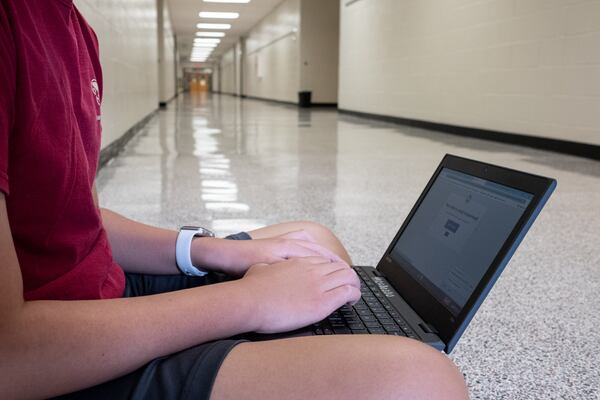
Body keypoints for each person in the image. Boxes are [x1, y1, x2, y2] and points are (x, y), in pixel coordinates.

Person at [0, 1, 469, 399]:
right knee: (423, 380)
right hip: (60, 357)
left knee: (310, 239)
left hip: (103, 293)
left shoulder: (70, 24)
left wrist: (213, 250)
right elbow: (10, 354)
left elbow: (77, 214)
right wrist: (247, 301)